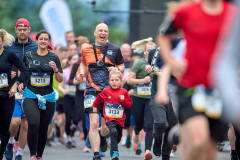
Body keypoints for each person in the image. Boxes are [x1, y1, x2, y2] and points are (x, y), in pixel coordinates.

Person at [158, 0, 235, 159]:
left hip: (220, 90)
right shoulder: (186, 11)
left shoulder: (233, 13)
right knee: (199, 141)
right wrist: (172, 62)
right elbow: (164, 37)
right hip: (191, 87)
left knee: (209, 151)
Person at [77, 22, 125, 160]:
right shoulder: (86, 49)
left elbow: (121, 66)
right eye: (100, 31)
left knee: (105, 127)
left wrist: (115, 70)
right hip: (91, 90)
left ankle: (103, 137)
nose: (103, 33)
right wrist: (81, 73)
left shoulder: (115, 49)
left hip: (109, 93)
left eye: (105, 31)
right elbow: (83, 63)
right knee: (93, 122)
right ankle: (96, 154)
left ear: (107, 34)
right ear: (95, 32)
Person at [19, 30, 63, 160]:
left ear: (49, 42)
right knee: (33, 123)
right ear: (37, 40)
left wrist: (55, 69)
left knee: (44, 127)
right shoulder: (28, 55)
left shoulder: (54, 57)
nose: (43, 41)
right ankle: (32, 154)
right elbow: (23, 72)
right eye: (41, 39)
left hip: (48, 96)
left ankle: (39, 155)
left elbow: (60, 79)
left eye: (46, 39)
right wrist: (20, 82)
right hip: (31, 94)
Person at [4, 18, 38, 160]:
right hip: (12, 88)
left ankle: (20, 153)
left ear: (29, 29)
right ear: (16, 29)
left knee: (26, 124)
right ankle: (11, 141)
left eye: (25, 29)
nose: (22, 32)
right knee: (14, 122)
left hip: (30, 89)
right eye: (20, 29)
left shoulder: (36, 46)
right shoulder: (8, 47)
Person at [145, 46, 178, 160]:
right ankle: (157, 139)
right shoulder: (153, 53)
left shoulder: (180, 51)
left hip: (174, 96)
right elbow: (148, 66)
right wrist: (148, 67)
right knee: (161, 123)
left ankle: (165, 156)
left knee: (171, 128)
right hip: (156, 95)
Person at [92, 69, 133, 160]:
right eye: (112, 80)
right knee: (113, 131)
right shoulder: (106, 91)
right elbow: (99, 99)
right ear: (109, 81)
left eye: (116, 80)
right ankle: (115, 152)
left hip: (120, 119)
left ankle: (111, 144)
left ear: (121, 81)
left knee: (118, 137)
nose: (114, 82)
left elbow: (129, 104)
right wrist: (94, 106)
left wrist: (124, 100)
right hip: (109, 118)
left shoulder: (124, 92)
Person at [0, 29, 28, 160]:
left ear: (2, 41)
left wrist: (15, 84)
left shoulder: (9, 54)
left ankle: (2, 150)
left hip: (7, 96)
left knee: (6, 128)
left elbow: (24, 70)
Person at [127, 40, 156, 159]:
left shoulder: (159, 64)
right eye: (149, 51)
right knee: (138, 124)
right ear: (145, 52)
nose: (151, 53)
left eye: (153, 51)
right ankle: (136, 131)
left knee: (149, 125)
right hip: (137, 98)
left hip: (151, 99)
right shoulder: (139, 63)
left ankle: (147, 150)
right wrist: (142, 81)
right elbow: (129, 80)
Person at [68, 42, 89, 152]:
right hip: (80, 93)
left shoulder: (93, 63)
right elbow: (70, 81)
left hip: (91, 92)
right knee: (83, 114)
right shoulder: (77, 64)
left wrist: (86, 80)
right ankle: (86, 141)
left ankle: (90, 140)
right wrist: (76, 82)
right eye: (82, 49)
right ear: (80, 51)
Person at [58, 53, 79, 149]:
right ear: (69, 61)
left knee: (76, 118)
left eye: (77, 59)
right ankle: (70, 138)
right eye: (74, 59)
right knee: (68, 118)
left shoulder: (80, 71)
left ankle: (72, 133)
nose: (76, 61)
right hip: (67, 97)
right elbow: (59, 86)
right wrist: (63, 90)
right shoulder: (65, 71)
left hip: (77, 97)